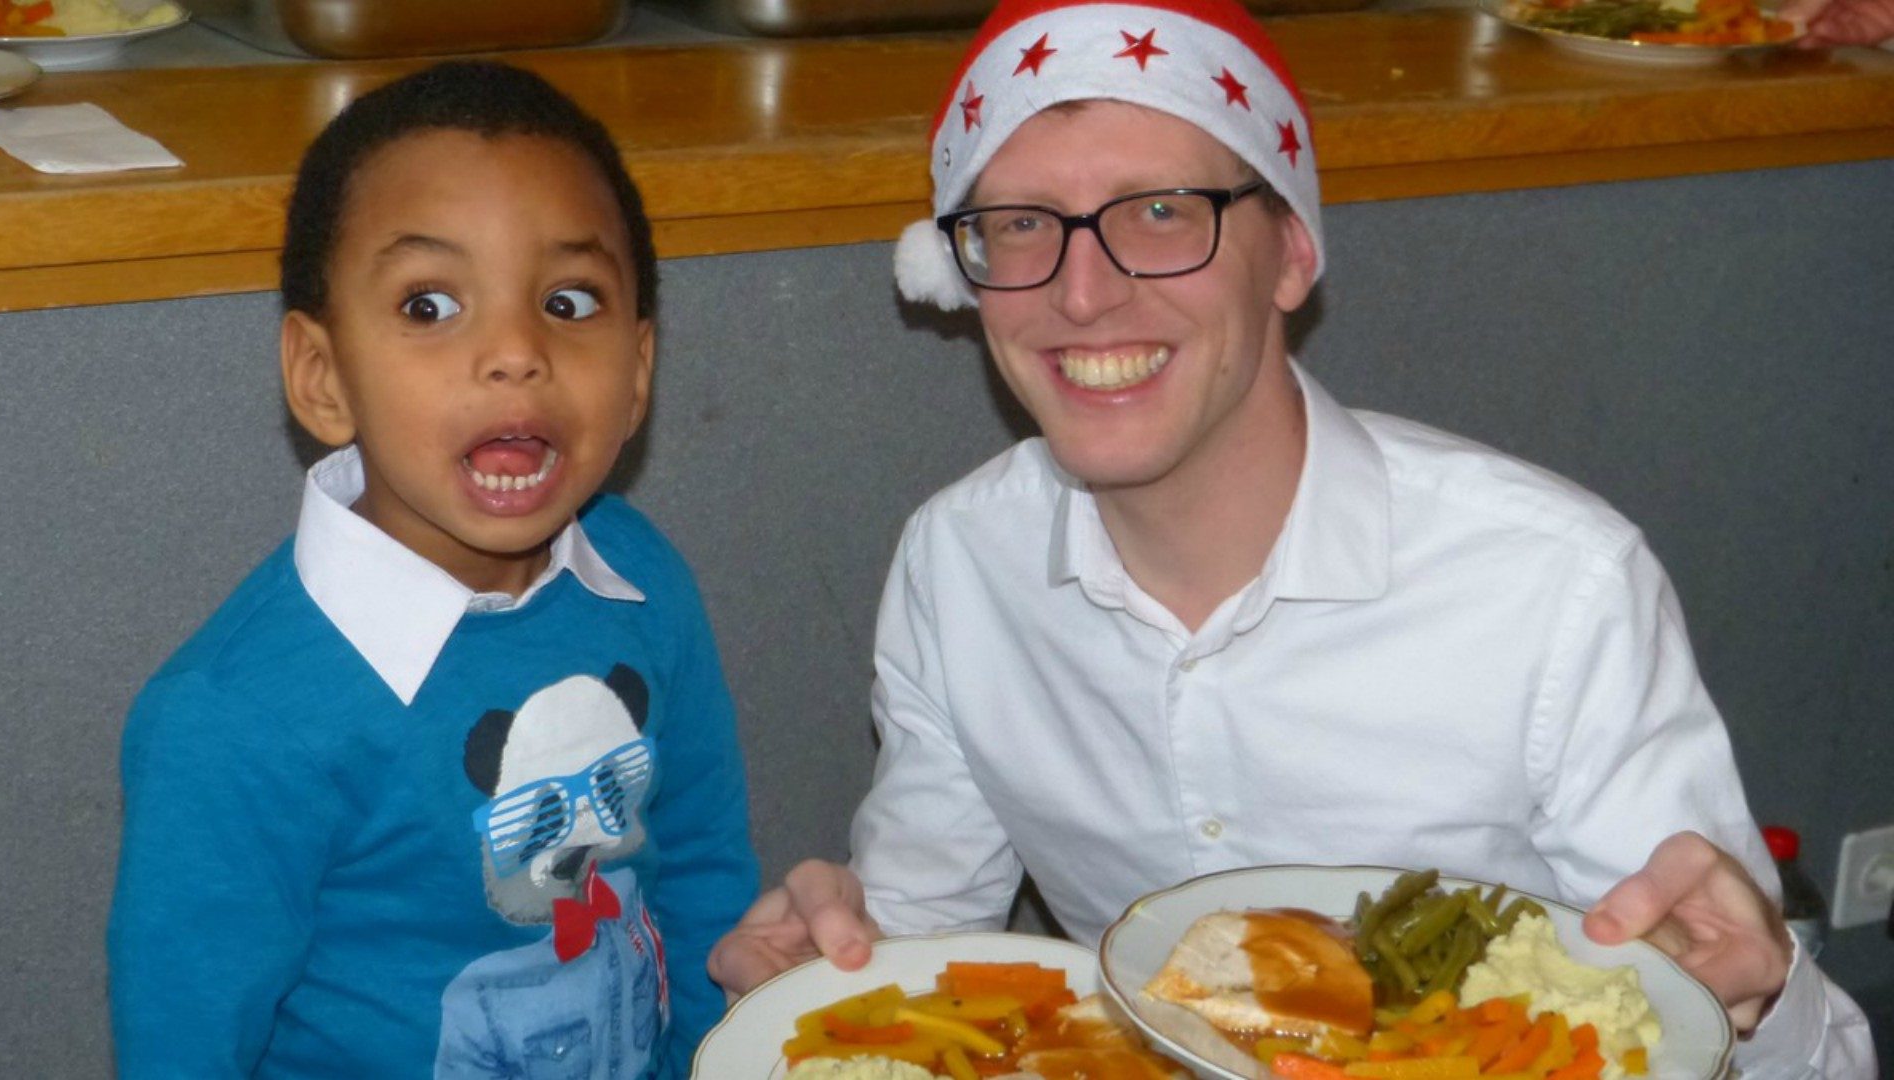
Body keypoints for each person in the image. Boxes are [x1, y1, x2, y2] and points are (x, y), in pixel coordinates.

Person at [707, 0, 1877, 1075]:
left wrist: (1761, 1005)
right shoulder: (958, 566)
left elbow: (1770, 1033)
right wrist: (827, 967)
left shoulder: (1552, 586)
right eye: (1021, 226)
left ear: (1293, 251)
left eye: (1163, 213)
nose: (1082, 294)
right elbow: (926, 944)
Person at [106, 61, 759, 1078]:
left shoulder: (643, 581)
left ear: (638, 375)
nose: (513, 351)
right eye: (428, 306)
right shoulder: (232, 721)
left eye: (569, 299)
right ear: (323, 379)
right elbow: (184, 1046)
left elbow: (705, 872)